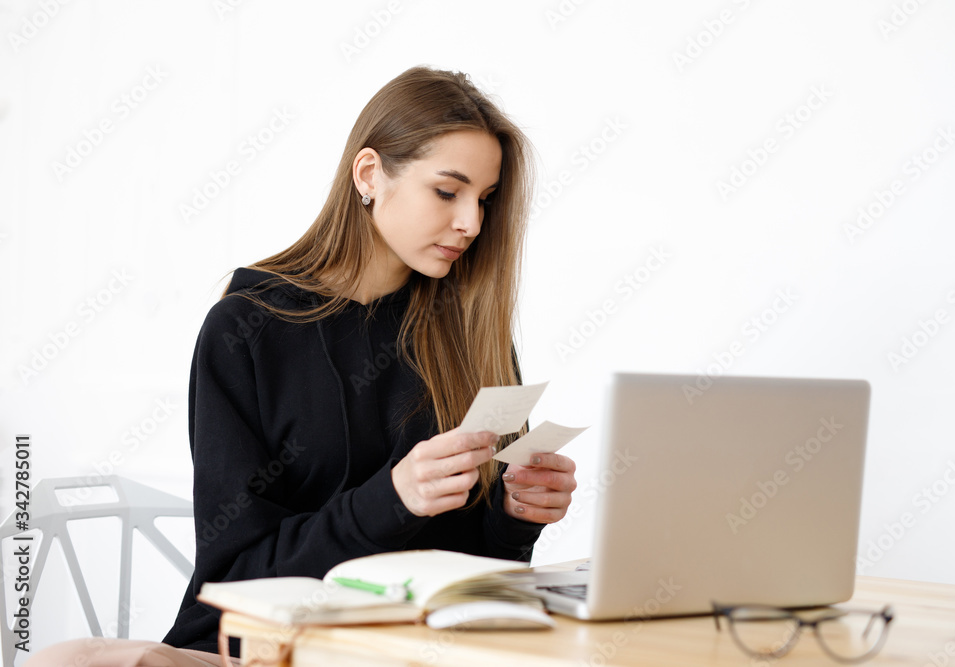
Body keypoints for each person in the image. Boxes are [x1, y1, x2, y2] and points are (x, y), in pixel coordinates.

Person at [24, 66, 576, 667]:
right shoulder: (247, 330)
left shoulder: (471, 337)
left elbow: (473, 585)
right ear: (369, 175)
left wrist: (515, 518)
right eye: (448, 191)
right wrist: (390, 499)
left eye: (485, 200)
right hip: (266, 649)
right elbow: (238, 578)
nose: (471, 223)